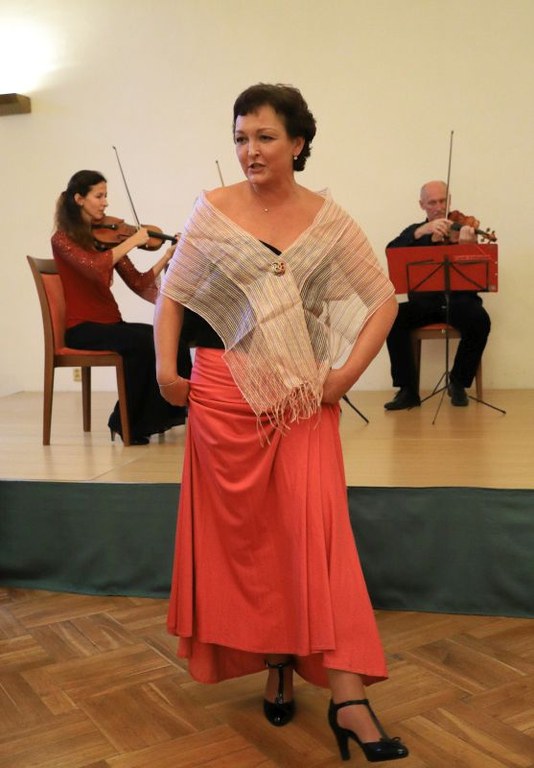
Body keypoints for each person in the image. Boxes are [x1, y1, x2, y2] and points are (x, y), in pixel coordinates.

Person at [154, 84, 409, 763]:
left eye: (265, 137)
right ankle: (276, 663)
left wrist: (345, 376)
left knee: (317, 537)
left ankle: (348, 696)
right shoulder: (212, 210)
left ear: (298, 143)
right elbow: (172, 296)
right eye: (241, 138)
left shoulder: (328, 221)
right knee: (253, 544)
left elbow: (383, 301)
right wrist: (164, 371)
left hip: (300, 399)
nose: (251, 150)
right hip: (221, 399)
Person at [52, 170, 188, 445]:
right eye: (99, 196)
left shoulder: (105, 239)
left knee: (170, 340)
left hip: (111, 324)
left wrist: (167, 255)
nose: (105, 203)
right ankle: (124, 422)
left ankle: (158, 416)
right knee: (141, 345)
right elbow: (95, 268)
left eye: (106, 196)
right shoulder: (62, 240)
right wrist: (131, 242)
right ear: (79, 199)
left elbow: (139, 282)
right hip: (82, 328)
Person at [384, 180, 491, 410]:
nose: (439, 207)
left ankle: (458, 383)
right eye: (432, 202)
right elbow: (392, 250)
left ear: (449, 201)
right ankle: (407, 391)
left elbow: (481, 269)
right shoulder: (414, 231)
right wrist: (420, 232)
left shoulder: (463, 228)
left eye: (443, 201)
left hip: (460, 302)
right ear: (422, 205)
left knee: (480, 319)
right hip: (425, 304)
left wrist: (468, 247)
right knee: (392, 317)